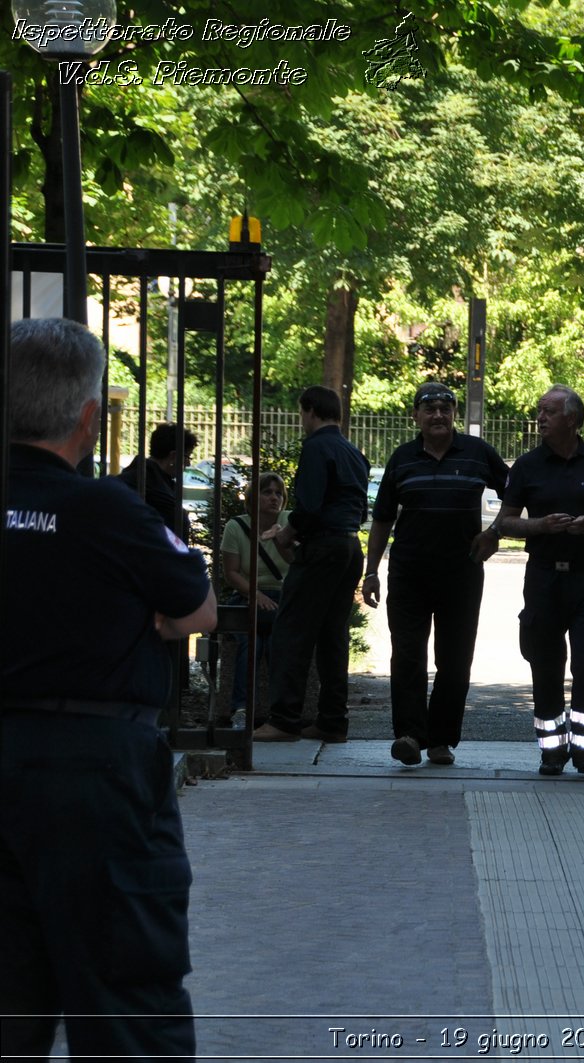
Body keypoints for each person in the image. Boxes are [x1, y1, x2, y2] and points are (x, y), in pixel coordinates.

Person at [1, 317, 217, 1060]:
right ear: (90, 419)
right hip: (100, 771)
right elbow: (197, 608)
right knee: (125, 1002)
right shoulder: (109, 510)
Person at [363, 382, 509, 767]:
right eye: (430, 409)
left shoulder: (478, 453)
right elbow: (381, 519)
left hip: (462, 573)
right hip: (409, 574)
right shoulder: (402, 459)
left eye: (446, 408)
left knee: (455, 658)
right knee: (408, 656)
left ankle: (442, 740)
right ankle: (410, 735)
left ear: (454, 414)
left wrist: (494, 532)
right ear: (416, 416)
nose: (438, 415)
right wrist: (371, 571)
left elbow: (516, 493)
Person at [496, 386, 584, 775]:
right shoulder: (528, 465)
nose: (540, 418)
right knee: (546, 663)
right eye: (540, 412)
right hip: (543, 579)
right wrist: (540, 525)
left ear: (572, 418)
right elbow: (505, 521)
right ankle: (552, 749)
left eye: (548, 412)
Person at [253, 386, 370, 743]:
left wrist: (288, 532)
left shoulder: (317, 447)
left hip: (321, 548)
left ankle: (284, 719)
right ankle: (332, 720)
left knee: (291, 631)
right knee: (333, 635)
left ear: (310, 411)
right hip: (349, 546)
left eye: (302, 413)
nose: (301, 420)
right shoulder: (354, 452)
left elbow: (311, 505)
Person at [217, 471, 294, 726]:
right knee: (248, 642)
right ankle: (241, 709)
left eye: (278, 493)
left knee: (276, 644)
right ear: (253, 497)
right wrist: (256, 594)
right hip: (249, 595)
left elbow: (296, 563)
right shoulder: (237, 526)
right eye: (267, 492)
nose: (274, 498)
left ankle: (279, 713)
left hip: (283, 595)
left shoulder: (289, 521)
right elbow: (231, 573)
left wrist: (282, 539)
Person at [118, 421, 198, 542]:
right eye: (187, 457)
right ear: (173, 456)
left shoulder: (129, 477)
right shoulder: (157, 489)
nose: (188, 464)